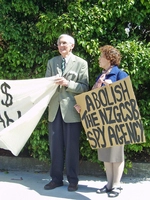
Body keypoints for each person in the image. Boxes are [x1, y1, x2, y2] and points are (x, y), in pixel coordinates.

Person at [75, 45, 128, 197]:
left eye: (101, 57)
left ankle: (117, 185)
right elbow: (93, 97)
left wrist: (113, 89)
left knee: (117, 155)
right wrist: (82, 106)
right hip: (102, 121)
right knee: (106, 154)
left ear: (109, 59)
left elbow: (126, 98)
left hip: (117, 122)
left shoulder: (120, 74)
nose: (99, 59)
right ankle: (109, 184)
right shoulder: (101, 76)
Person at [44, 34, 89, 192]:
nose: (61, 46)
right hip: (54, 110)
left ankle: (73, 180)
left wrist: (68, 83)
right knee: (55, 147)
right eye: (59, 43)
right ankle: (56, 179)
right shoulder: (52, 62)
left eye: (64, 43)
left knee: (72, 148)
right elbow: (45, 85)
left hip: (71, 111)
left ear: (72, 46)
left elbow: (84, 87)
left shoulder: (81, 63)